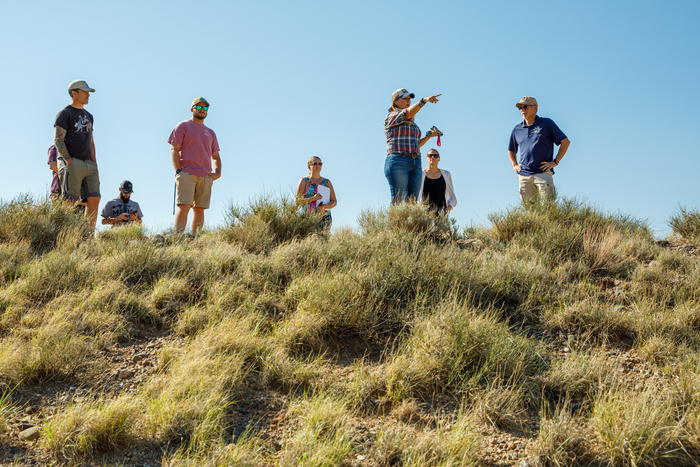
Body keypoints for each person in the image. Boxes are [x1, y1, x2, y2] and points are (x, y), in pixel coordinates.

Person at [168, 97, 222, 233]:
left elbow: (215, 156)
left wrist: (217, 172)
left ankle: (195, 239)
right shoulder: (182, 126)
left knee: (199, 209)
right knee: (184, 205)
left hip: (205, 176)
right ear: (192, 109)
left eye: (205, 108)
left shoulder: (211, 133)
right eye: (199, 107)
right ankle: (178, 238)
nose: (202, 110)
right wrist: (178, 170)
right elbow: (174, 148)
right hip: (187, 173)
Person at [54, 79, 101, 230]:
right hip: (72, 162)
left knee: (94, 198)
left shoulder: (89, 115)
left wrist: (94, 162)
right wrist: (69, 161)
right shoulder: (64, 113)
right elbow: (58, 139)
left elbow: (91, 141)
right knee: (69, 201)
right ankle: (64, 236)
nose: (88, 95)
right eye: (85, 91)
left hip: (89, 164)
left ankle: (87, 237)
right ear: (74, 93)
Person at [384, 88, 442, 204]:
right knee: (398, 200)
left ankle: (408, 223)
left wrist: (429, 136)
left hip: (415, 162)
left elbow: (416, 145)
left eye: (409, 98)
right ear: (395, 101)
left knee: (412, 202)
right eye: (405, 98)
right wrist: (424, 100)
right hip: (398, 161)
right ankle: (395, 222)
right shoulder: (391, 117)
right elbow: (408, 112)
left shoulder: (412, 123)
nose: (408, 100)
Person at [508, 96, 570, 202]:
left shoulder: (546, 124)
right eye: (520, 108)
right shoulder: (517, 129)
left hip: (543, 174)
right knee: (530, 213)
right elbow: (511, 149)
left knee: (548, 209)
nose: (522, 110)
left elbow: (565, 142)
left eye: (525, 106)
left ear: (535, 108)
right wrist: (514, 165)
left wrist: (555, 161)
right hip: (524, 176)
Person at [295, 156, 337, 231]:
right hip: (307, 217)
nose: (318, 166)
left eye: (320, 164)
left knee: (323, 240)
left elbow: (334, 201)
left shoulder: (327, 182)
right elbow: (297, 201)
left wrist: (324, 206)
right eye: (315, 164)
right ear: (309, 167)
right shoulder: (304, 181)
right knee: (308, 240)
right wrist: (313, 198)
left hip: (324, 217)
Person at [418, 149, 457, 214]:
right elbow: (414, 191)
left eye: (435, 155)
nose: (433, 157)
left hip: (441, 210)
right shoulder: (420, 174)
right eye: (430, 155)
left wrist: (449, 208)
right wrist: (419, 206)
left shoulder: (446, 174)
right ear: (426, 158)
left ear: (439, 159)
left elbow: (451, 194)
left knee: (441, 225)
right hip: (424, 209)